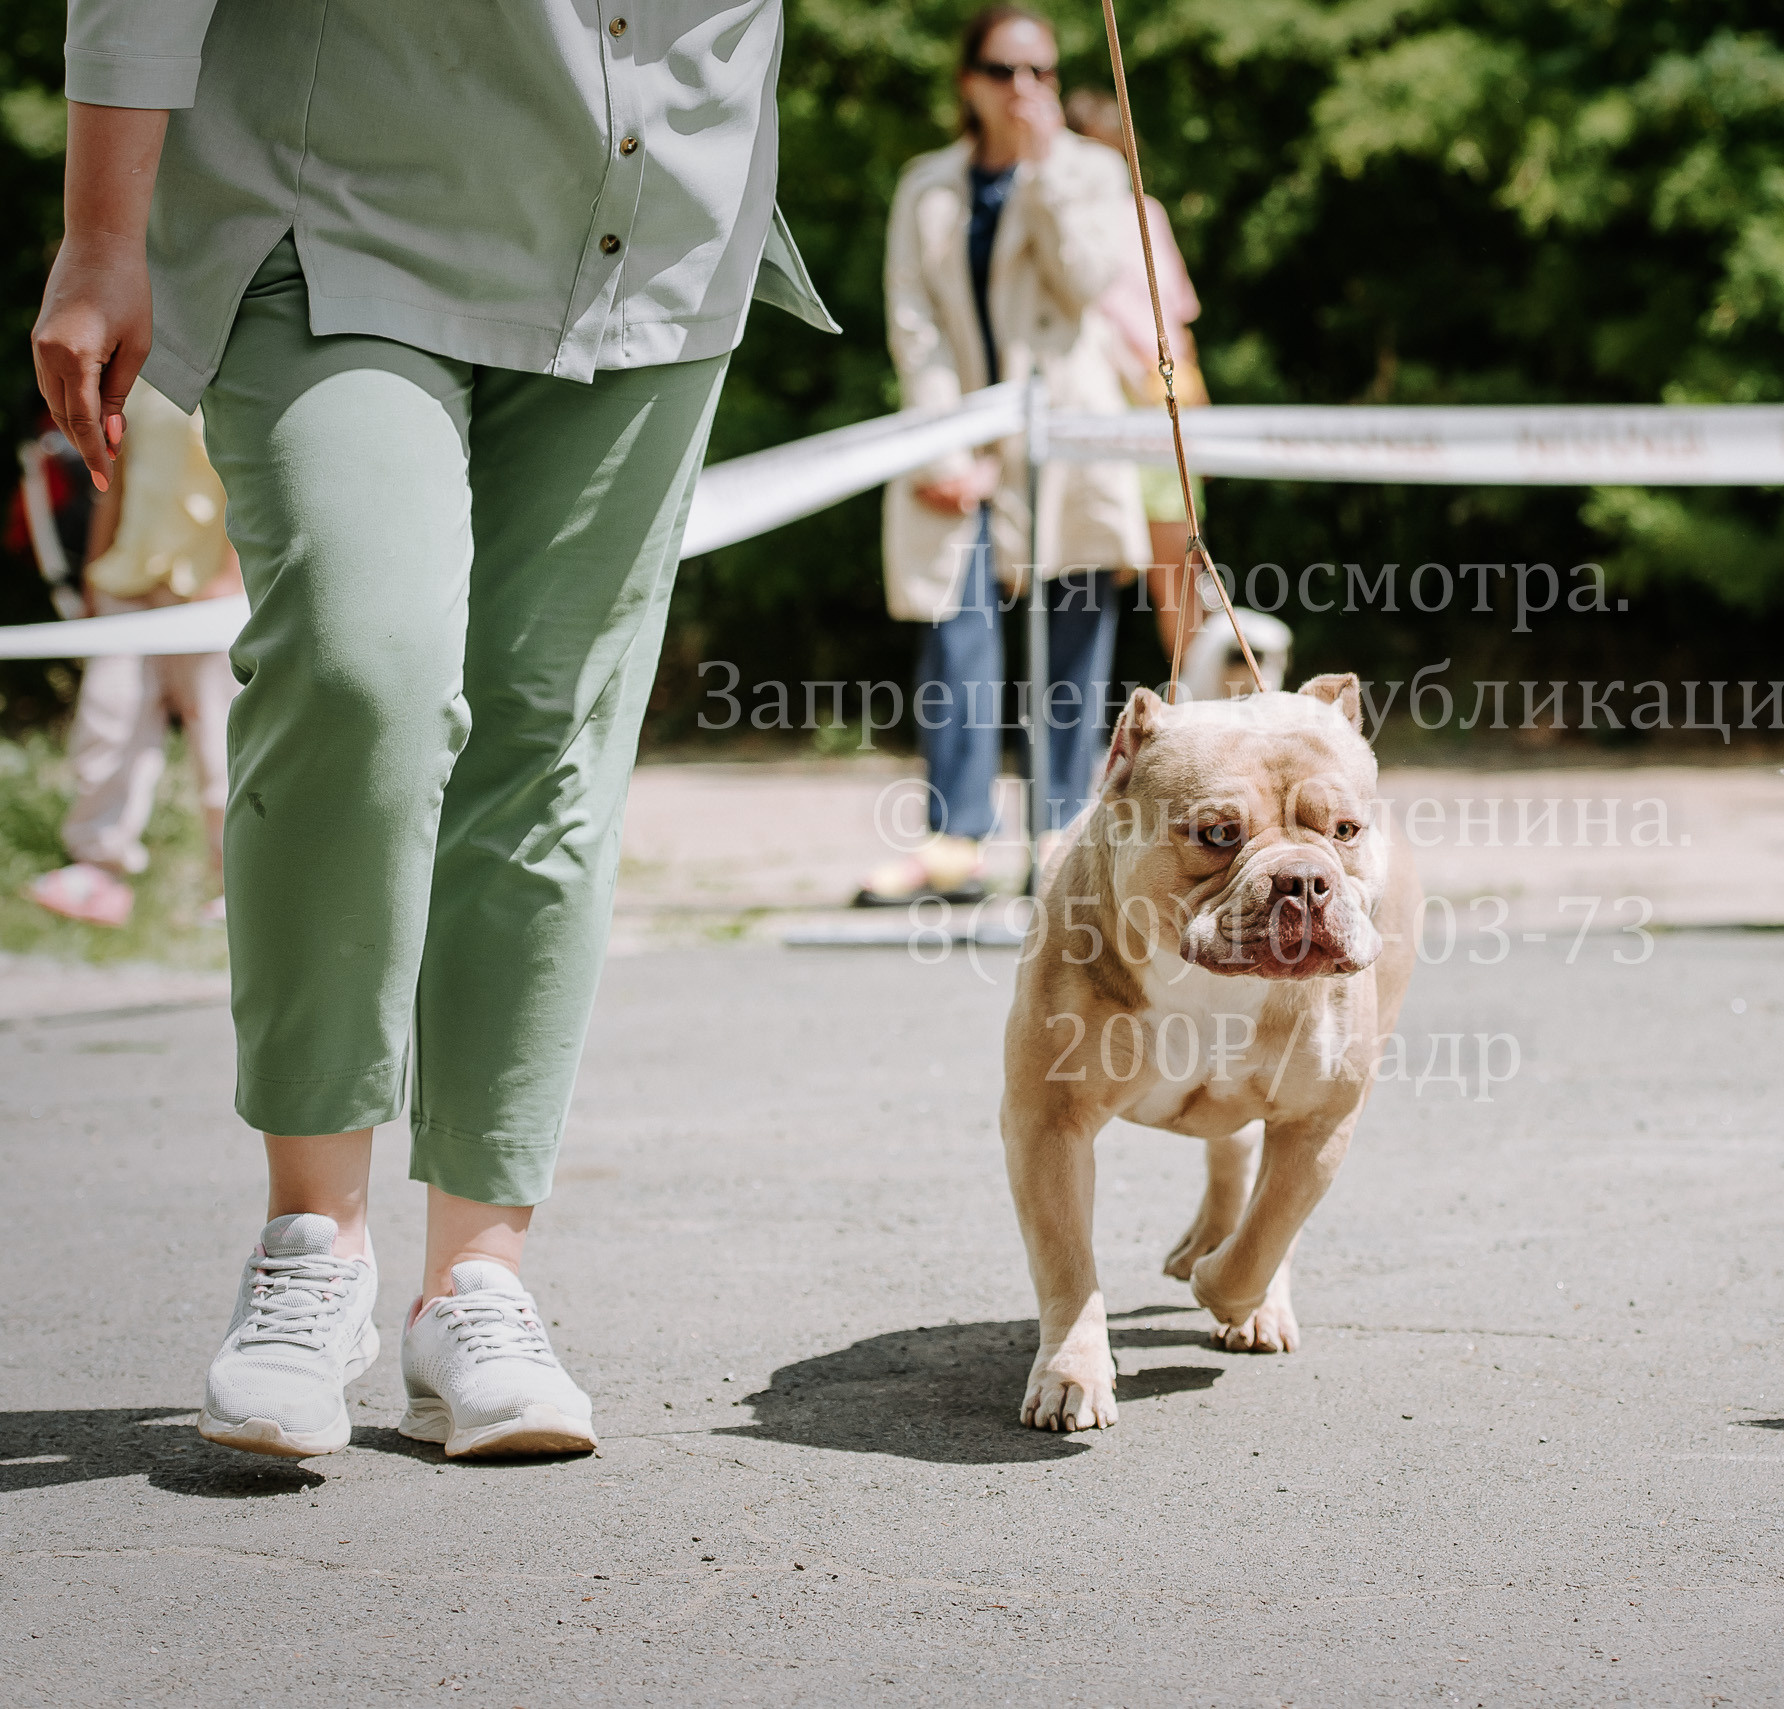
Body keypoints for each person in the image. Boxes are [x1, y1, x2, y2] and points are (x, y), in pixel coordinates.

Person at [34, 1, 835, 1460]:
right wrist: (102, 228)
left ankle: (476, 1280)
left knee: (553, 734)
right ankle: (312, 1244)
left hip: (649, 221)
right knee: (362, 671)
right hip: (336, 197)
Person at [860, 6, 1148, 905]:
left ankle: (1060, 831)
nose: (1024, 88)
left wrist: (1044, 169)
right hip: (959, 433)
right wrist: (946, 445)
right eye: (1003, 70)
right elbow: (913, 321)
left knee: (1074, 629)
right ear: (968, 82)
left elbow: (1086, 281)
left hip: (1067, 434)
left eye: (1041, 72)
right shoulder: (926, 185)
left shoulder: (1091, 171)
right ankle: (957, 840)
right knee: (956, 632)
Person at [25, 377, 239, 931]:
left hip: (210, 592)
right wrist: (95, 571)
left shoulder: (242, 374)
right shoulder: (144, 383)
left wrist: (231, 576)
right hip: (131, 581)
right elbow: (113, 481)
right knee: (109, 718)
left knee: (222, 739)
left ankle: (237, 886)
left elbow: (256, 484)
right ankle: (97, 869)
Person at [1062, 86, 1214, 668]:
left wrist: (1197, 413)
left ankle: (1193, 696)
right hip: (1097, 402)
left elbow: (1177, 322)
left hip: (1160, 401)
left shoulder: (1147, 213)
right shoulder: (1063, 223)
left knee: (1177, 564)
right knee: (1095, 563)